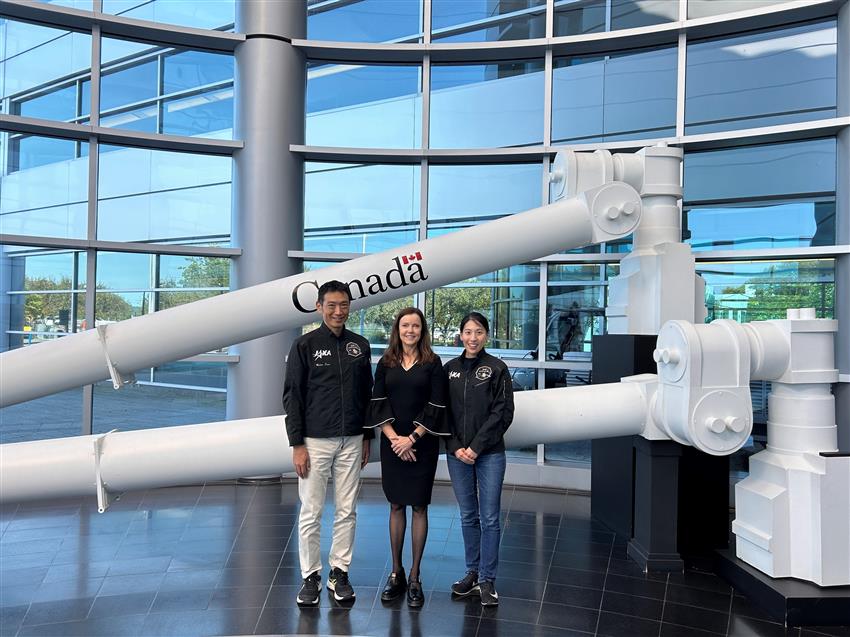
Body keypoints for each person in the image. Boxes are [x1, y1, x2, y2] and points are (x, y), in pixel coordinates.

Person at [282, 280, 374, 607]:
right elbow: (292, 397)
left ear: (350, 306)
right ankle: (310, 577)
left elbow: (368, 396)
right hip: (314, 442)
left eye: (344, 305)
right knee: (311, 511)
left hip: (352, 440)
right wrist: (297, 444)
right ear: (319, 307)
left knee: (347, 510)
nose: (338, 311)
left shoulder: (360, 346)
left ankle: (340, 571)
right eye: (332, 305)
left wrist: (366, 436)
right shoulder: (304, 346)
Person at [366, 307, 449, 608]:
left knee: (419, 507)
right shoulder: (386, 362)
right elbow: (377, 402)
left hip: (421, 444)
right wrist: (395, 440)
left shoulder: (432, 362)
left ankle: (415, 576)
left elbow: (437, 405)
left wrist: (412, 439)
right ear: (397, 330)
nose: (410, 330)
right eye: (405, 325)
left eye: (415, 326)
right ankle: (396, 572)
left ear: (422, 330)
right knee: (396, 504)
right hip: (392, 443)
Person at [444, 311, 514, 607]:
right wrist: (457, 446)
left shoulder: (497, 368)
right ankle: (472, 573)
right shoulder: (449, 369)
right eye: (468, 332)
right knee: (467, 515)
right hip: (456, 453)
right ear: (461, 335)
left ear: (486, 335)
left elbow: (503, 413)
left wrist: (476, 447)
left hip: (490, 455)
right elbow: (442, 412)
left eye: (479, 332)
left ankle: (488, 579)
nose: (473, 338)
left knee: (490, 518)